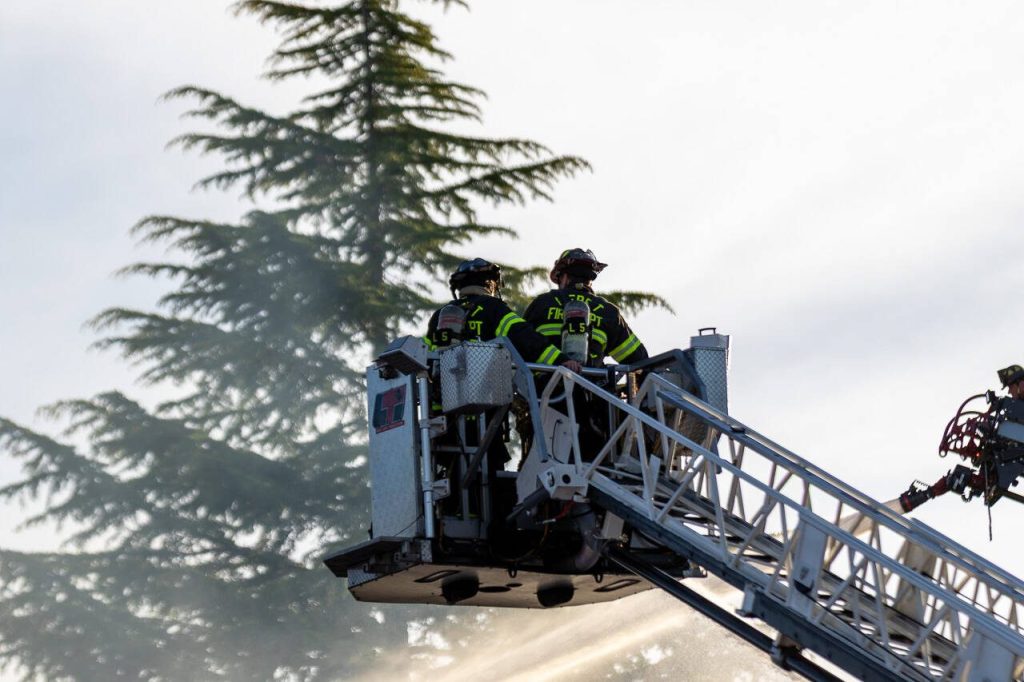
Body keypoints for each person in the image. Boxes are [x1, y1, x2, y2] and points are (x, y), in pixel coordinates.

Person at [523, 248, 648, 367]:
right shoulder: (608, 312)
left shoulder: (543, 303)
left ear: (564, 277)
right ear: (590, 280)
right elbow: (638, 360)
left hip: (543, 386)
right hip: (592, 387)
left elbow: (518, 341)